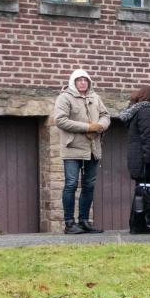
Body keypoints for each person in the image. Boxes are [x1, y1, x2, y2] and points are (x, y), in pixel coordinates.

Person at [51, 69, 110, 234]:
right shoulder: (65, 97)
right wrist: (87, 127)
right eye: (79, 80)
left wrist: (100, 126)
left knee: (89, 185)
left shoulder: (95, 97)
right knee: (71, 184)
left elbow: (106, 115)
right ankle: (69, 223)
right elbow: (60, 120)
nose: (83, 82)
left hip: (92, 148)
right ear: (73, 82)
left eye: (85, 80)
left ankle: (84, 221)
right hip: (72, 147)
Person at [119, 86, 150, 233]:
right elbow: (149, 137)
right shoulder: (146, 112)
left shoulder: (136, 111)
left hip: (138, 158)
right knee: (144, 191)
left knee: (141, 191)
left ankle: (138, 224)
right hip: (145, 159)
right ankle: (138, 225)